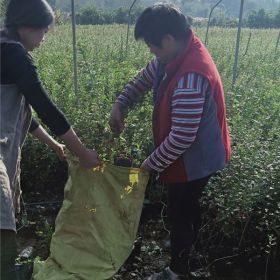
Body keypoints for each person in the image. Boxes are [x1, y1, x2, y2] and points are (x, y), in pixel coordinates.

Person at [109, 3, 231, 280]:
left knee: (181, 211)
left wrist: (148, 167)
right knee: (186, 209)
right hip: (189, 151)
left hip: (197, 158)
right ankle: (189, 254)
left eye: (153, 45)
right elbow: (145, 78)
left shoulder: (190, 75)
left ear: (168, 39)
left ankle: (178, 271)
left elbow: (182, 138)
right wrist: (120, 104)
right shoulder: (172, 55)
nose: (151, 51)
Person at [0, 0, 101, 279]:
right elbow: (45, 107)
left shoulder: (3, 45)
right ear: (26, 26)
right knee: (2, 223)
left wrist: (56, 146)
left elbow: (25, 117)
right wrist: (81, 153)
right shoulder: (13, 54)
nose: (44, 38)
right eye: (43, 31)